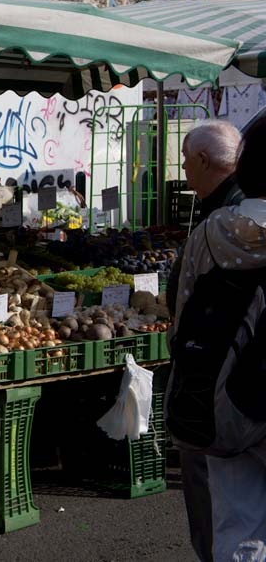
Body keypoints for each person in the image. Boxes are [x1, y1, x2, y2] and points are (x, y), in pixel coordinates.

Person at [166, 120, 243, 562]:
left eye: (184, 160)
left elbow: (184, 302)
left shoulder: (215, 228)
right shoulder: (239, 211)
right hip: (247, 382)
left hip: (213, 386)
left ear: (202, 160)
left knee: (215, 505)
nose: (183, 171)